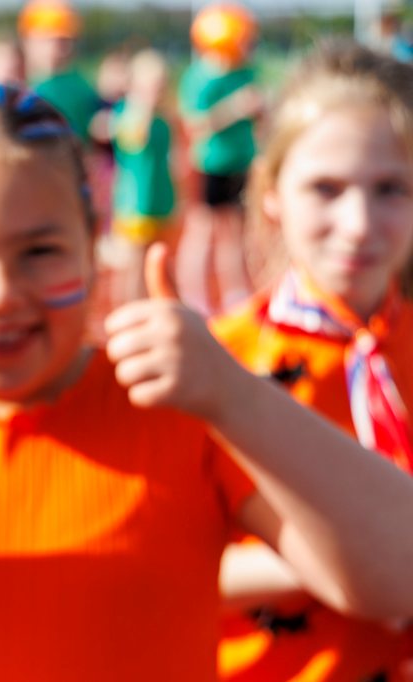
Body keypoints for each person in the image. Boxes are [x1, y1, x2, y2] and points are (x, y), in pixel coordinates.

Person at [0, 81, 413, 681]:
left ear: (93, 247)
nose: (0, 294)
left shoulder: (176, 408)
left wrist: (235, 395)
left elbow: (396, 577)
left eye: (40, 251)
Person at [213, 42, 413, 681]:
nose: (358, 223)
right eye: (326, 188)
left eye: (391, 189)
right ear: (271, 193)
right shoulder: (219, 363)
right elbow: (162, 562)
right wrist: (352, 561)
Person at [177, 2, 262, 315]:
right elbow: (196, 125)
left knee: (234, 234)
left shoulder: (245, 72)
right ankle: (193, 297)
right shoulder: (199, 77)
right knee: (203, 231)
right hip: (210, 165)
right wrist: (235, 108)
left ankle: (235, 296)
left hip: (241, 162)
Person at [99, 48, 176, 304]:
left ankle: (149, 306)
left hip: (160, 201)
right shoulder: (127, 114)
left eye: (160, 85)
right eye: (150, 85)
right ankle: (127, 309)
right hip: (133, 204)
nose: (156, 92)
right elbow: (135, 140)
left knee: (154, 264)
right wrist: (141, 105)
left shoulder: (162, 120)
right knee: (132, 267)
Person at [18, 0, 100, 143]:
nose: (56, 48)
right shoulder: (16, 80)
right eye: (48, 40)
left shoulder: (79, 88)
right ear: (27, 41)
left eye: (63, 41)